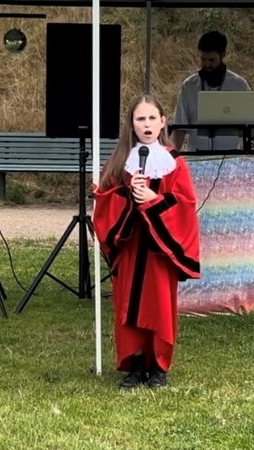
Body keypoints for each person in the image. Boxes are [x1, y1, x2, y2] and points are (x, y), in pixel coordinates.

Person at [92, 95, 201, 389]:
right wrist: (127, 197)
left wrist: (156, 201)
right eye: (141, 119)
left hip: (158, 251)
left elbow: (185, 204)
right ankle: (136, 365)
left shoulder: (174, 163)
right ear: (132, 124)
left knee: (159, 305)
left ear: (163, 122)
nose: (147, 124)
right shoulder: (119, 163)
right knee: (129, 305)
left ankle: (158, 367)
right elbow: (103, 203)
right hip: (130, 247)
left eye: (152, 118)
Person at [171, 30, 254, 151]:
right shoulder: (189, 86)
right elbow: (179, 128)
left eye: (211, 60)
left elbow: (253, 126)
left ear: (223, 55)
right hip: (197, 159)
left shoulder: (239, 85)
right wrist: (171, 156)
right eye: (203, 60)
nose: (207, 65)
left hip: (231, 159)